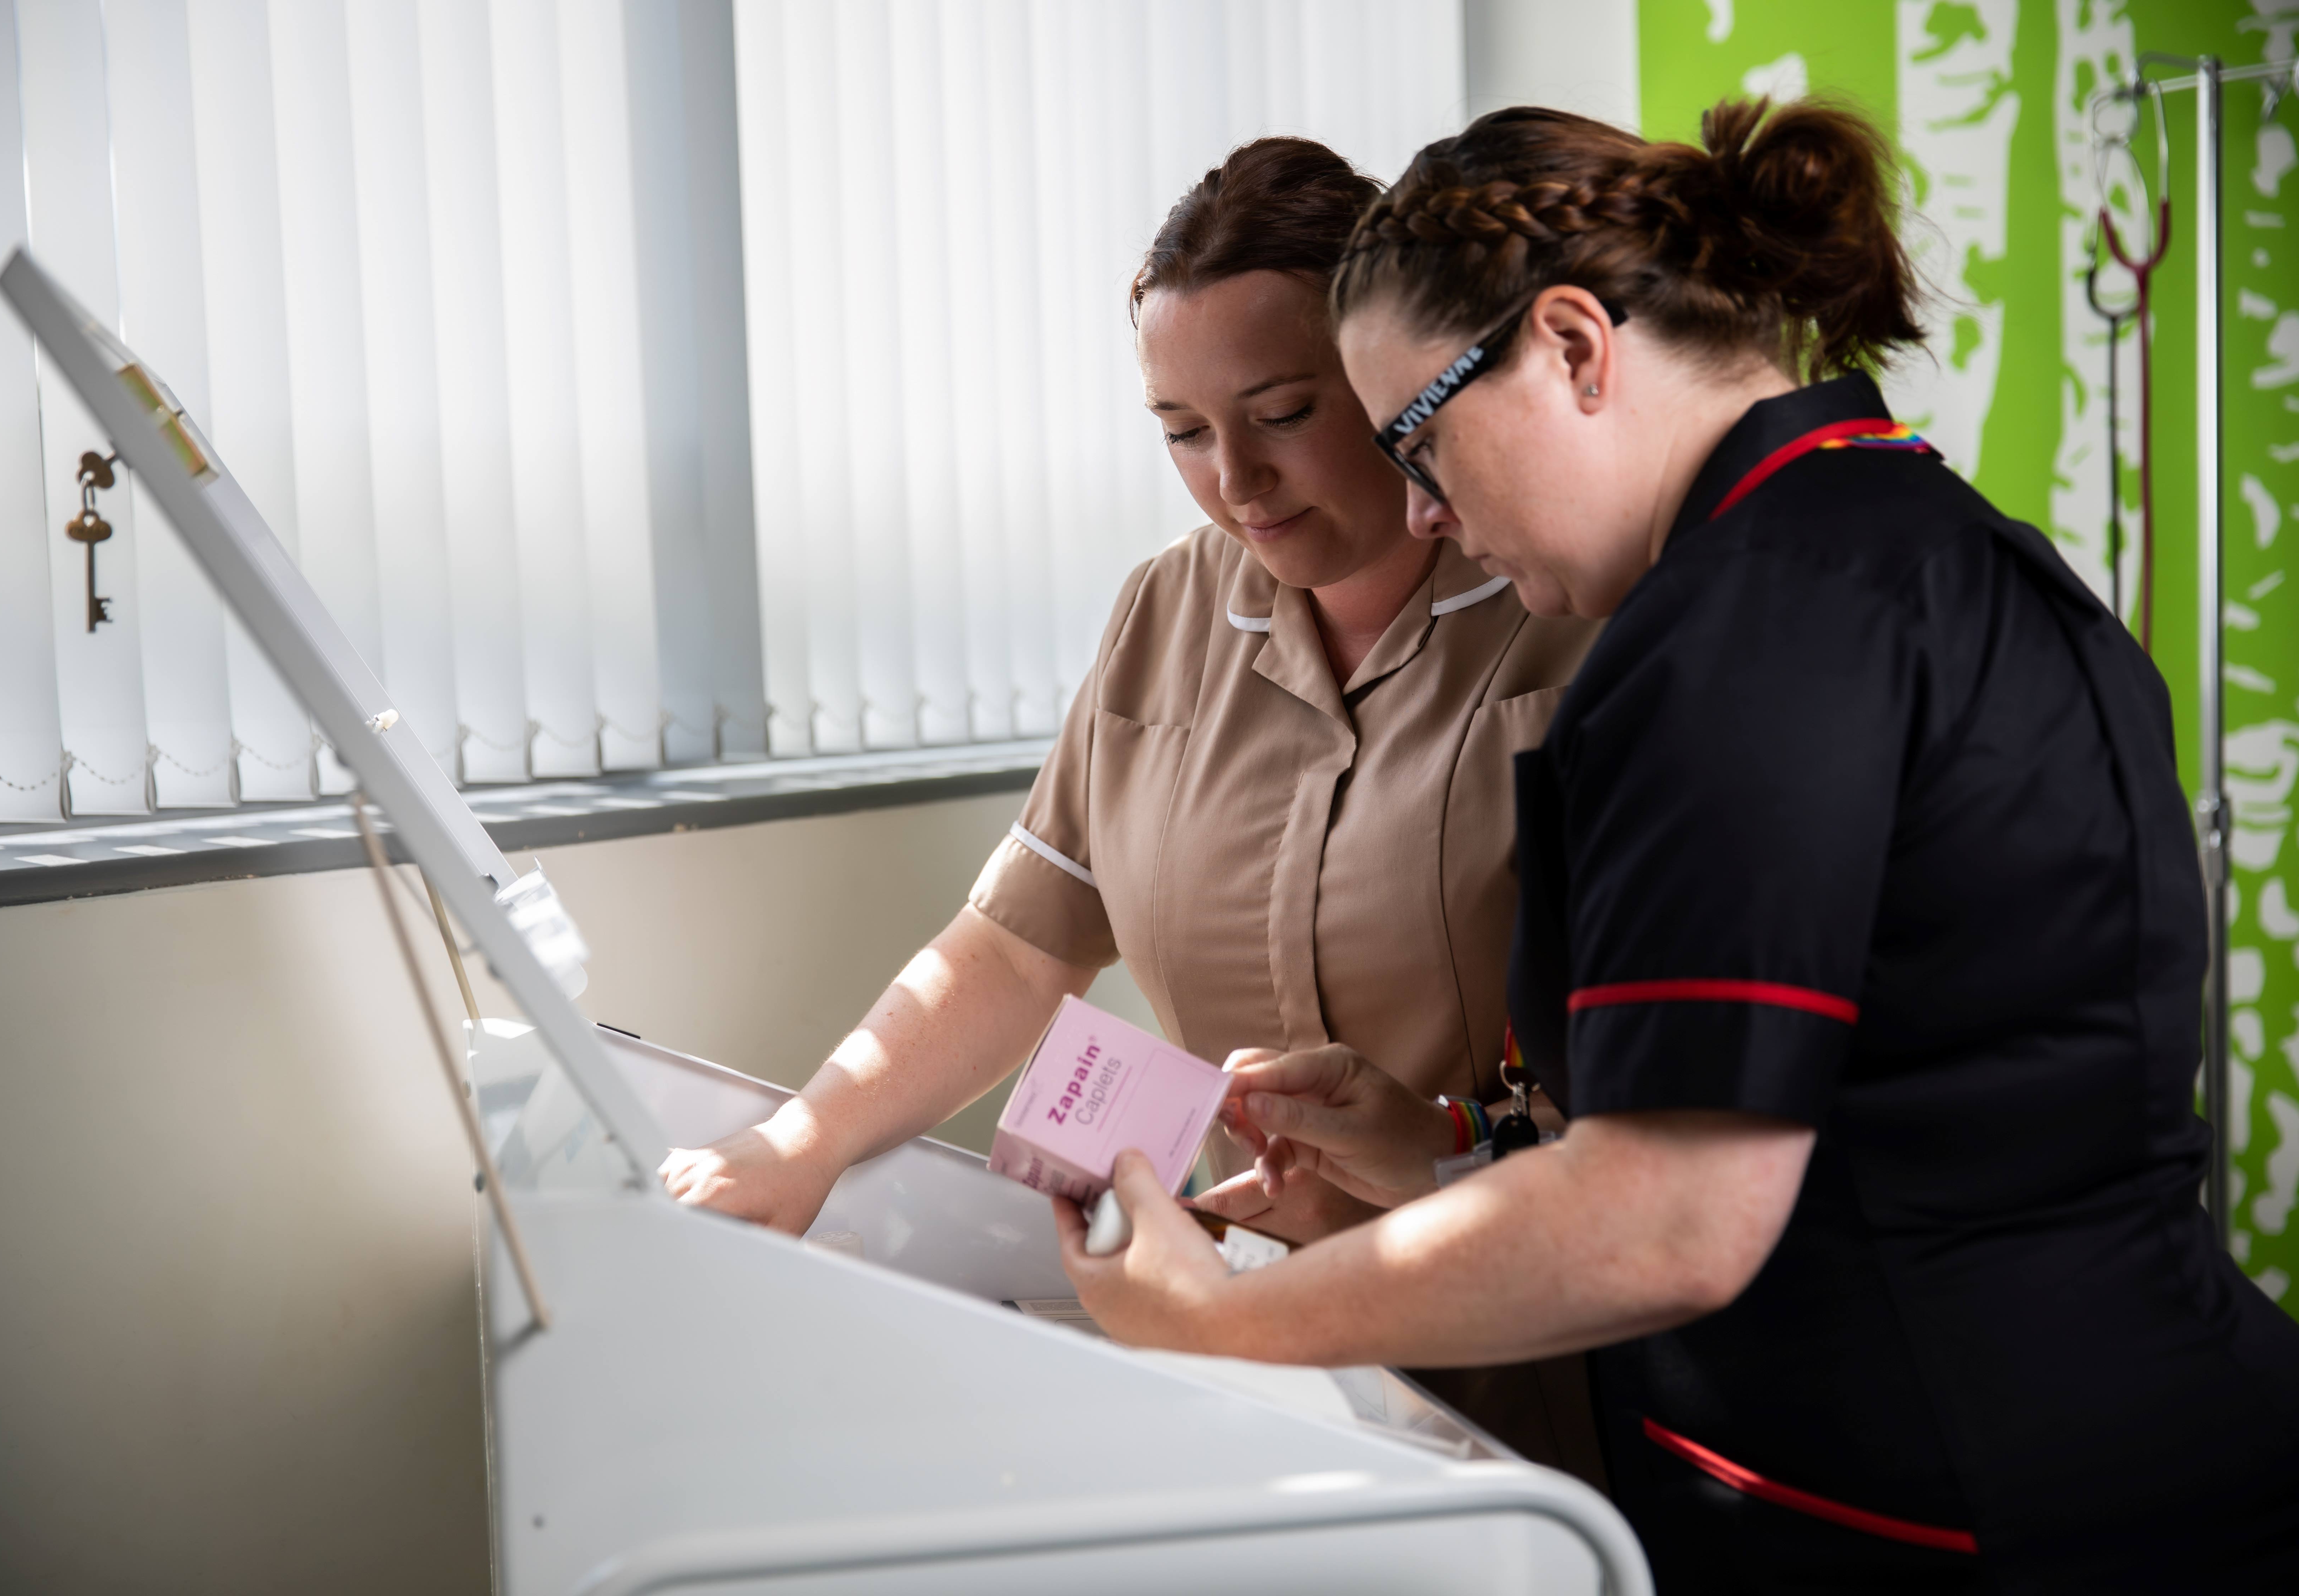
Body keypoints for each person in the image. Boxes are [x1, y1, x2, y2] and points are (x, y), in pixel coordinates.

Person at [1055, 98, 2299, 1591]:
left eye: (1425, 440)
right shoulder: (1934, 549)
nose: (1427, 512)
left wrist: (1217, 1319)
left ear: (1575, 348)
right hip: (2123, 1446)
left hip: (1949, 1508)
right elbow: (1888, 1102)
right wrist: (1444, 1154)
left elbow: (1671, 1224)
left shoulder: (1739, 637)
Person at [657, 139, 1602, 1472]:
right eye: (1182, 434)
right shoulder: (1171, 609)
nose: (1235, 480)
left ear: (1395, 380)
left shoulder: (1571, 607)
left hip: (1532, 1344)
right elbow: (1023, 938)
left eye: (1281, 413)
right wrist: (801, 1140)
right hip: (1235, 1347)